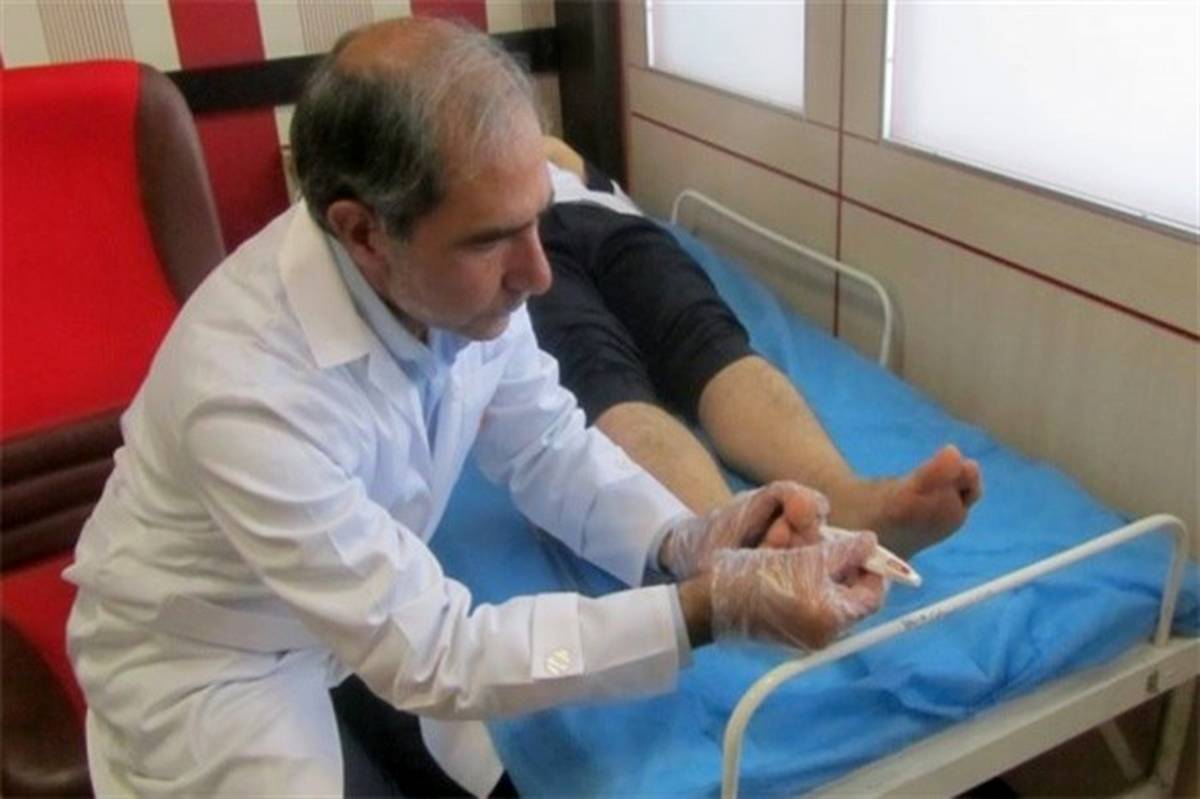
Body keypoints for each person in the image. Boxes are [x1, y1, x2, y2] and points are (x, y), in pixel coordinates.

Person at [64, 18, 887, 798]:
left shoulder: (454, 279)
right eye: (491, 239)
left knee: (486, 770)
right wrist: (708, 608)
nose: (538, 273)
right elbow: (440, 654)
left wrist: (685, 538)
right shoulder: (248, 392)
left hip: (345, 611)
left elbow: (547, 444)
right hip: (214, 661)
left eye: (536, 221)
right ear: (363, 233)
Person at [532, 138, 983, 558]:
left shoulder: (551, 151)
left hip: (616, 223)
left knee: (708, 339)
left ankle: (849, 502)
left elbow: (552, 149)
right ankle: (733, 540)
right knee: (599, 372)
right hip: (528, 241)